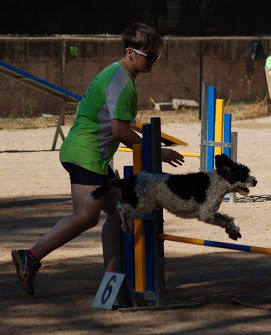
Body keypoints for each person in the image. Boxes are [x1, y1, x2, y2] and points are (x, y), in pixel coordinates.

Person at [11, 23, 185, 296]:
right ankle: (30, 257)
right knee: (85, 217)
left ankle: (112, 281)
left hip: (92, 154)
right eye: (149, 55)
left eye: (156, 56)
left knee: (119, 210)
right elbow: (120, 131)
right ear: (130, 52)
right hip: (87, 155)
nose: (153, 62)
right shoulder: (123, 83)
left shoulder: (113, 73)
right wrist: (156, 152)